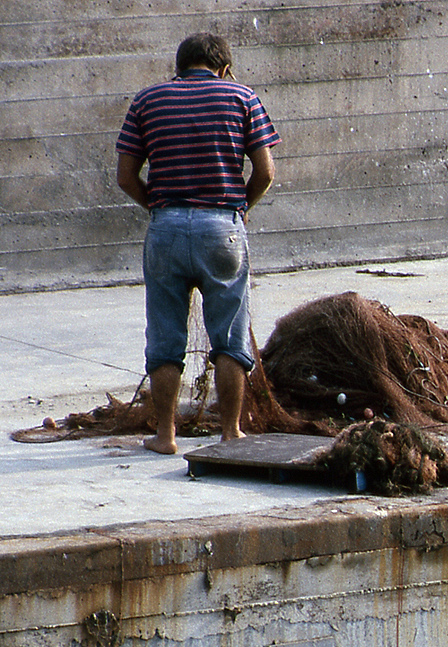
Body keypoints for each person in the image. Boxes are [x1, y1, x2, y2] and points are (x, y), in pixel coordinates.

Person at [115, 32, 281, 455]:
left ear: (179, 66)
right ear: (224, 68)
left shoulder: (147, 101)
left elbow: (125, 177)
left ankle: (166, 436)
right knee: (228, 335)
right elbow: (264, 172)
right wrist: (242, 206)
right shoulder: (243, 97)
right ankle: (229, 433)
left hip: (166, 228)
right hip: (221, 227)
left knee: (165, 337)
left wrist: (158, 204)